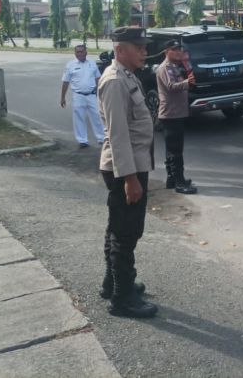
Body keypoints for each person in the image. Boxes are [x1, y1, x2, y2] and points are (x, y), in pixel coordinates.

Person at [97, 26, 158, 318]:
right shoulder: (114, 82)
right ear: (121, 49)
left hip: (132, 165)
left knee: (118, 228)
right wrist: (131, 179)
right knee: (126, 232)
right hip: (125, 169)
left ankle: (114, 283)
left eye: (144, 46)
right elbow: (118, 135)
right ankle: (123, 299)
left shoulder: (127, 75)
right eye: (138, 46)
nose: (144, 51)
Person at [156, 39, 197, 194]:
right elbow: (171, 86)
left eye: (180, 49)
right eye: (175, 49)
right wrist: (187, 82)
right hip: (171, 114)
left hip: (176, 113)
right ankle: (179, 183)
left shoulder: (175, 67)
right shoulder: (165, 67)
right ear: (167, 52)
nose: (179, 52)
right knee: (175, 151)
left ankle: (172, 179)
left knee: (172, 150)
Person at [60, 44, 105, 148]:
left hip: (92, 95)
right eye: (77, 52)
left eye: (81, 51)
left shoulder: (92, 64)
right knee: (79, 118)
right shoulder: (70, 65)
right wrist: (63, 97)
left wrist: (101, 93)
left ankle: (101, 138)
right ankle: (82, 140)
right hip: (78, 96)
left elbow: (98, 79)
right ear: (75, 53)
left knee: (97, 116)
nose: (80, 54)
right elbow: (65, 82)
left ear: (86, 52)